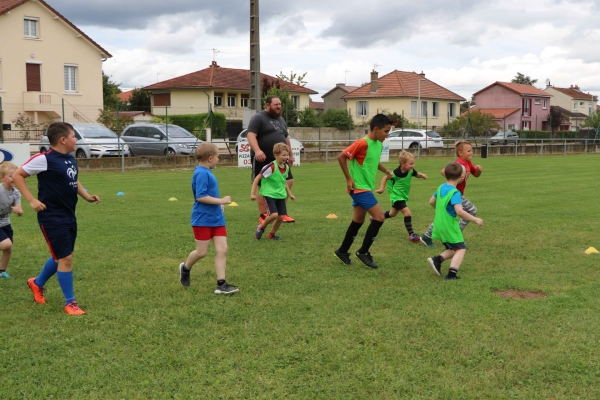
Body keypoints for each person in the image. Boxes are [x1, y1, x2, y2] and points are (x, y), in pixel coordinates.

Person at [13, 122, 100, 315]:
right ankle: (70, 303)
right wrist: (31, 200)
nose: (75, 139)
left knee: (61, 255)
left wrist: (86, 196)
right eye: (73, 136)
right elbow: (17, 175)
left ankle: (37, 283)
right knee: (65, 258)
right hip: (51, 216)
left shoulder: (70, 159)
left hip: (69, 214)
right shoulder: (45, 159)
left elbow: (73, 179)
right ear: (63, 139)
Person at [333, 114, 393, 269]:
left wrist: (386, 170)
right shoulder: (362, 143)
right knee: (379, 218)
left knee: (358, 220)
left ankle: (342, 251)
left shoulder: (378, 144)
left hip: (366, 187)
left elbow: (373, 161)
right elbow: (341, 157)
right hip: (358, 188)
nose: (387, 135)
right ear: (376, 129)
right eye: (386, 131)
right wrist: (348, 178)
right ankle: (363, 252)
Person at [178, 143, 238, 294]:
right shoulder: (201, 173)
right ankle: (185, 268)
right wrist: (222, 201)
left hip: (216, 219)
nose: (218, 159)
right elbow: (201, 196)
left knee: (222, 249)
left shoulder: (207, 172)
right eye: (218, 156)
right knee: (201, 252)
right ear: (210, 158)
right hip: (202, 219)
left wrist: (219, 205)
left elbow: (209, 195)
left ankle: (221, 284)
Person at [427, 162, 483, 280]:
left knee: (453, 248)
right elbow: (460, 212)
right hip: (450, 226)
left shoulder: (441, 187)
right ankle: (452, 275)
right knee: (461, 248)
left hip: (438, 224)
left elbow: (431, 202)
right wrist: (475, 219)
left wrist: (441, 210)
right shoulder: (455, 193)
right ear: (461, 177)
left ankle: (436, 260)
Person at [420, 141, 482, 247]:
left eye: (471, 150)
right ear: (460, 153)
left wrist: (479, 171)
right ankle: (455, 235)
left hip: (457, 193)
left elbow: (476, 174)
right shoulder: (458, 164)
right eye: (469, 151)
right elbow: (443, 171)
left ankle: (427, 236)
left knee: (446, 217)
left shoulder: (469, 163)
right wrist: (452, 180)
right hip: (453, 194)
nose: (471, 152)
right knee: (472, 210)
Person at [247, 96, 296, 224]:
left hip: (279, 158)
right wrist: (257, 150)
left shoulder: (281, 119)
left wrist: (290, 155)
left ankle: (281, 212)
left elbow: (285, 138)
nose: (279, 106)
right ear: (268, 105)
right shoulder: (258, 118)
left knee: (289, 180)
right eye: (276, 104)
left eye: (280, 104)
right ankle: (263, 214)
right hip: (263, 157)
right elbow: (251, 135)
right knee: (262, 185)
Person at [375, 150, 427, 243]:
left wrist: (422, 175)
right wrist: (381, 189)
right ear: (402, 164)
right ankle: (411, 234)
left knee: (392, 214)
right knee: (407, 213)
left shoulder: (410, 171)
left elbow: (416, 174)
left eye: (413, 163)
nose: (412, 166)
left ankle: (376, 218)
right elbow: (385, 177)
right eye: (410, 164)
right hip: (396, 197)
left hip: (403, 197)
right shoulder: (395, 173)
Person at [251, 143, 295, 240]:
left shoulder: (286, 167)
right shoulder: (271, 167)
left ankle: (272, 234)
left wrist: (290, 194)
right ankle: (261, 227)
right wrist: (253, 193)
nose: (286, 157)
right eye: (283, 155)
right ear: (276, 155)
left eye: (287, 155)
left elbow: (284, 182)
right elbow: (257, 178)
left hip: (280, 195)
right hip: (269, 194)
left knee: (280, 217)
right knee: (274, 214)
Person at [0, 162, 24, 279]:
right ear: (2, 177)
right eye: (10, 176)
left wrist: (19, 211)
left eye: (15, 175)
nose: (13, 178)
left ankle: (1, 271)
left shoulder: (16, 193)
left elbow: (20, 211)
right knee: (6, 244)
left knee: (8, 249)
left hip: (5, 223)